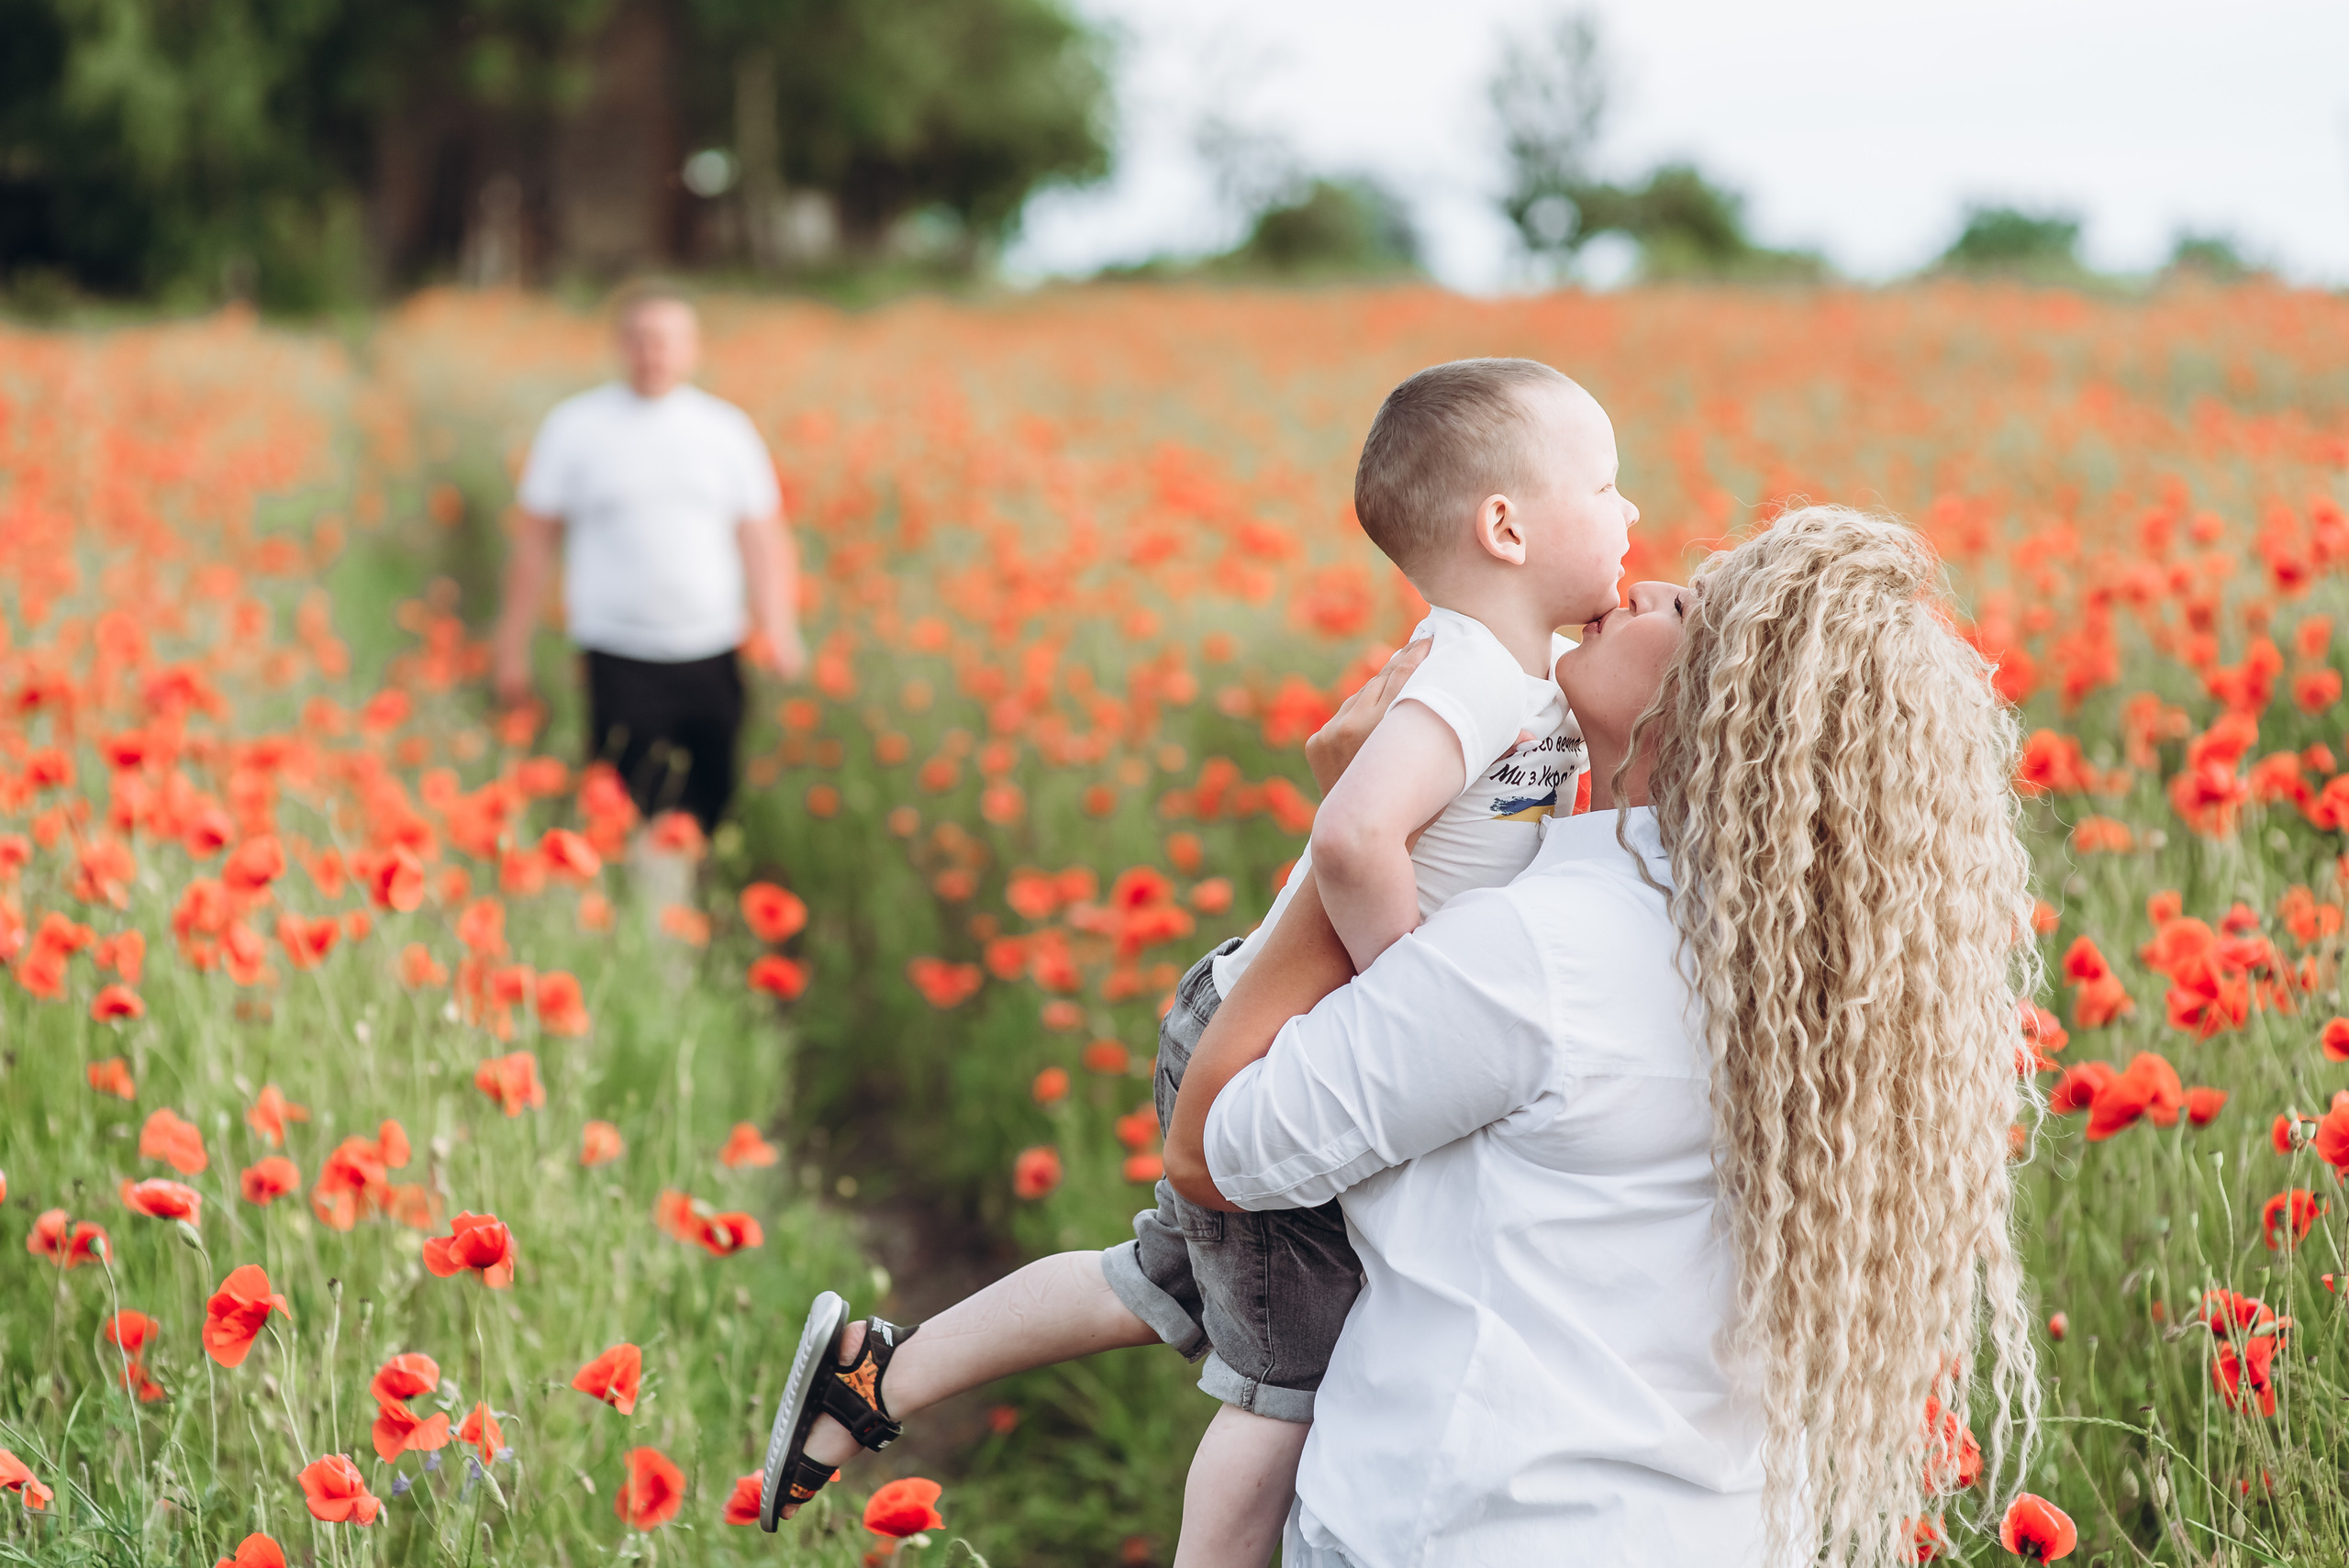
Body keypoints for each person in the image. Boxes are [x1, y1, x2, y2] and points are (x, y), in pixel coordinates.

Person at [754, 358, 1636, 1559]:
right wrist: (1413, 990)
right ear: (1507, 527)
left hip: (1263, 1012)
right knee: (1288, 1382)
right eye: (1606, 485)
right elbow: (1353, 832)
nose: (1631, 511)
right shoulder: (1472, 674)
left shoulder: (1523, 675)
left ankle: (874, 1375)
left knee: (1162, 1276)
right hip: (1276, 1043)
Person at [1166, 507, 2042, 1566]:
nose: (1644, 586)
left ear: (1727, 706)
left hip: (1465, 1532)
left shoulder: (1542, 952)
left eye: (1692, 609)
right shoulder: (1809, 983)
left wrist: (1355, 830)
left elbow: (1213, 1149)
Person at [492, 282, 805, 838]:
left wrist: (779, 627)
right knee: (631, 811)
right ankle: (649, 892)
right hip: (618, 651)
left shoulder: (725, 430)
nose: (653, 353)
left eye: (667, 340)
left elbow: (762, 537)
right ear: (620, 345)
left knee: (711, 807)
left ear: (693, 349)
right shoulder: (575, 427)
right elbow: (535, 542)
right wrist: (512, 644)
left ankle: (694, 888)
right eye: (640, 339)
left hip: (712, 648)